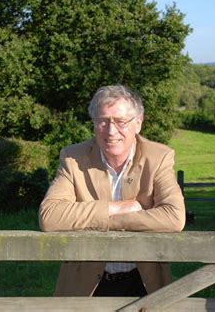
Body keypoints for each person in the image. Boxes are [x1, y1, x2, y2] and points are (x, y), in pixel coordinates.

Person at [39, 84, 185, 297]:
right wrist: (124, 208)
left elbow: (174, 217)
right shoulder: (73, 158)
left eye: (120, 121)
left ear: (138, 123)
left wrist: (105, 221)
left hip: (145, 284)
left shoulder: (158, 157)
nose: (111, 131)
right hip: (84, 287)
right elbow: (49, 216)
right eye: (103, 121)